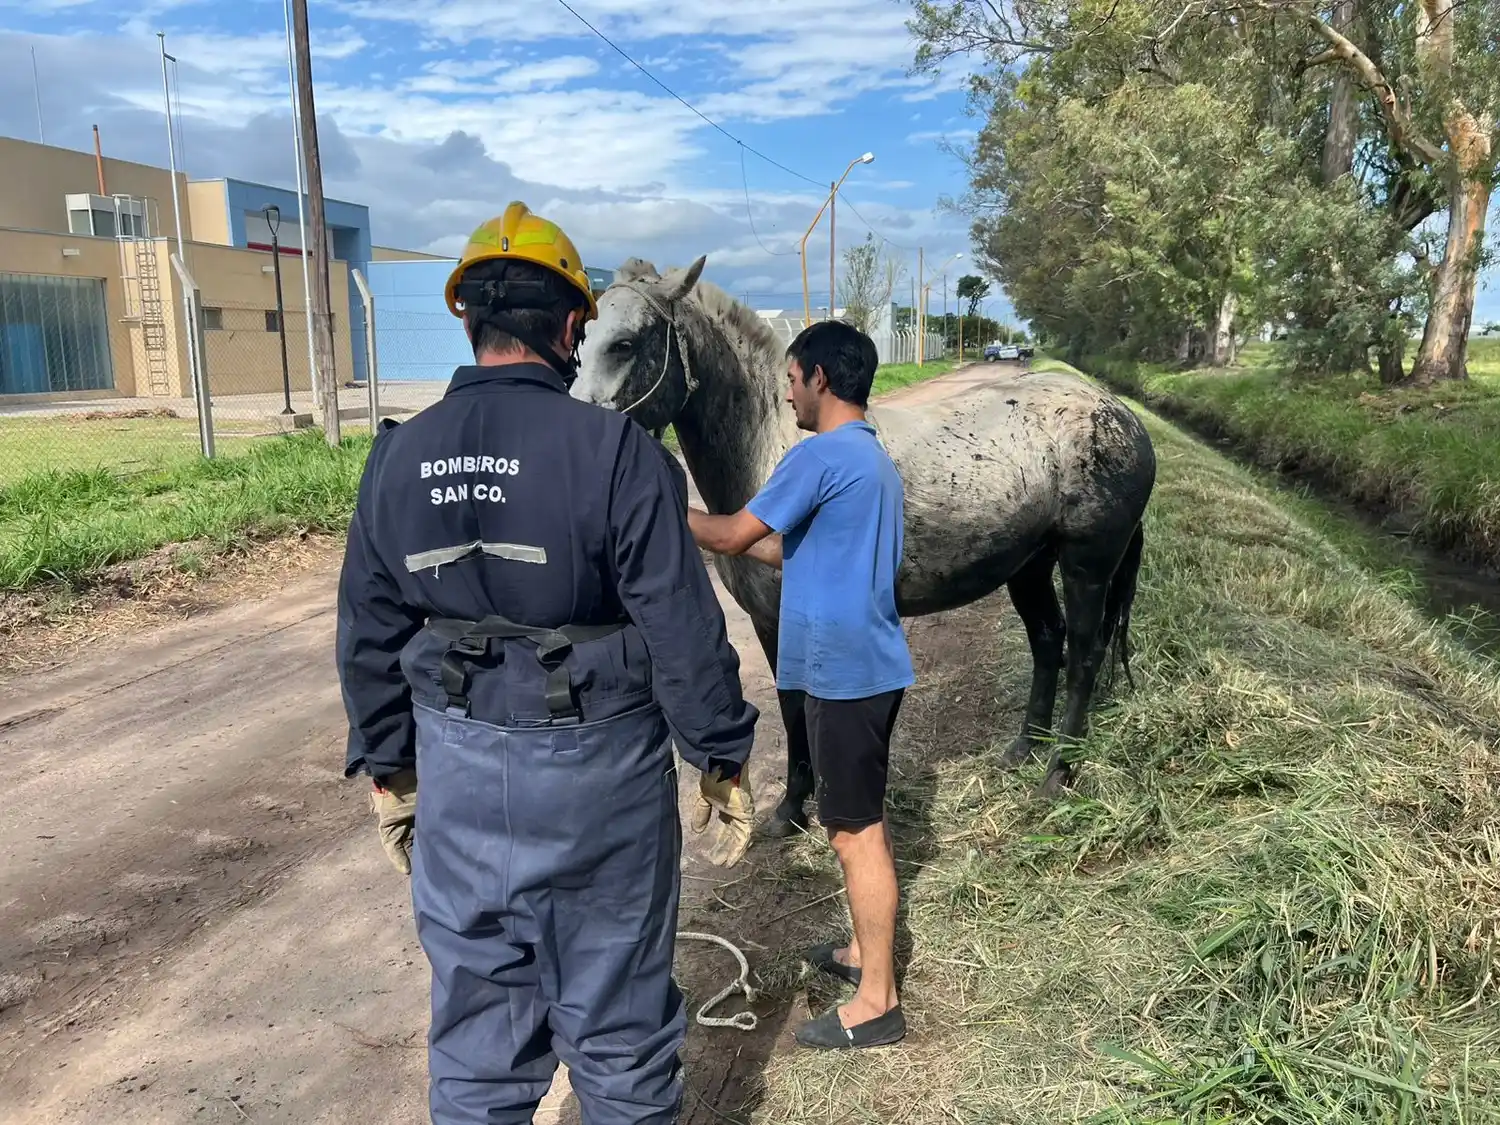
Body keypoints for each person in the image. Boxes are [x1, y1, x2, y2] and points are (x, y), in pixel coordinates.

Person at [335, 201, 759, 1125]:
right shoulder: (620, 454)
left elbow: (368, 632)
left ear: (469, 321)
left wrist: (392, 771)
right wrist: (720, 754)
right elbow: (682, 625)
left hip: (457, 773)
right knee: (620, 1034)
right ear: (572, 329)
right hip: (597, 779)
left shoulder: (396, 457)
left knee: (478, 1044)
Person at [684, 319, 914, 1051]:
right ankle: (864, 954)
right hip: (870, 666)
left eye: (790, 379)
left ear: (820, 377)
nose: (786, 395)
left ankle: (877, 1001)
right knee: (861, 817)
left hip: (844, 675)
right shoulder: (870, 459)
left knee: (853, 832)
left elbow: (731, 535)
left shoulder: (817, 455)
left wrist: (656, 506)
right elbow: (796, 550)